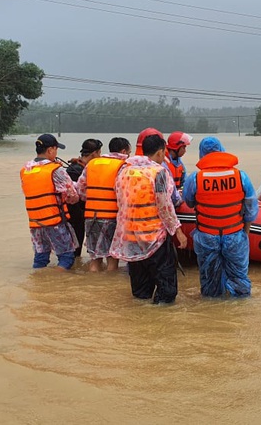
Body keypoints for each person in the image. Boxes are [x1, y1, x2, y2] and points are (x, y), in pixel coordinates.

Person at [110, 134, 188, 304]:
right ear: (160, 152)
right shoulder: (158, 173)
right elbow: (165, 205)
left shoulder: (124, 170)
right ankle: (161, 325)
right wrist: (178, 231)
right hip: (155, 238)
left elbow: (120, 199)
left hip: (131, 238)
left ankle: (142, 324)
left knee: (140, 291)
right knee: (167, 292)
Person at [183, 137, 259, 298]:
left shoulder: (195, 178)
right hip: (235, 235)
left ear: (202, 154)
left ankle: (211, 311)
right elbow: (251, 207)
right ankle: (240, 310)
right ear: (221, 150)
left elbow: (189, 202)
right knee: (238, 277)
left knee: (210, 278)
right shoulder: (240, 176)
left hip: (206, 236)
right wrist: (246, 231)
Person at [20, 133, 80, 271]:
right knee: (67, 256)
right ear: (50, 150)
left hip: (35, 222)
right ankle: (55, 283)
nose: (56, 152)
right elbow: (72, 194)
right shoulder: (55, 170)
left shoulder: (25, 170)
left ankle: (39, 281)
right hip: (54, 221)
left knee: (41, 256)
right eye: (56, 149)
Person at [75, 137, 131, 272]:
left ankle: (93, 285)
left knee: (95, 259)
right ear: (124, 151)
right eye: (129, 152)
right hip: (111, 218)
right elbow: (125, 193)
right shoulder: (123, 166)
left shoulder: (92, 164)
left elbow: (80, 190)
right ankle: (108, 288)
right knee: (112, 260)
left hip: (90, 217)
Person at [65, 138, 103, 259]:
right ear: (94, 154)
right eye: (99, 153)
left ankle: (74, 268)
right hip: (78, 214)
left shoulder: (73, 167)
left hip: (74, 213)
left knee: (75, 246)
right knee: (77, 247)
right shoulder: (79, 170)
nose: (100, 156)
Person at [136, 127, 182, 207]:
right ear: (160, 151)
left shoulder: (127, 167)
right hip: (154, 216)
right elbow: (172, 199)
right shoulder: (162, 170)